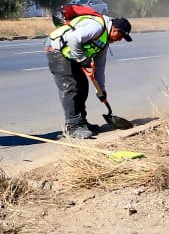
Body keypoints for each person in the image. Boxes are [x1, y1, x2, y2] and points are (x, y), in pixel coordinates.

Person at [46, 9, 133, 138]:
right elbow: (73, 38)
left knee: (82, 87)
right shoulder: (98, 27)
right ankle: (73, 127)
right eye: (121, 36)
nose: (120, 40)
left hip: (71, 55)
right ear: (115, 30)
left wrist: (101, 91)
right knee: (71, 88)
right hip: (57, 52)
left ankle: (81, 123)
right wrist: (82, 59)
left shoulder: (104, 42)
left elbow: (99, 67)